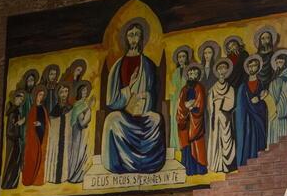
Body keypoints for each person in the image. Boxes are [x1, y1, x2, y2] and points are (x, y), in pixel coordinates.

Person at [100, 20, 165, 174]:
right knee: (111, 119)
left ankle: (149, 164)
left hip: (142, 113)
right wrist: (129, 89)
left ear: (142, 38)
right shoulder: (118, 66)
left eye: (137, 35)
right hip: (125, 115)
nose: (134, 38)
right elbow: (111, 100)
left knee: (157, 119)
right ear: (126, 39)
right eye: (130, 35)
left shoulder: (148, 65)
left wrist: (144, 97)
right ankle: (116, 164)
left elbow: (153, 94)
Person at [234, 55, 268, 167]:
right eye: (250, 66)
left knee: (258, 137)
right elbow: (240, 105)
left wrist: (259, 99)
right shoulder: (243, 86)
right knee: (247, 135)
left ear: (258, 68)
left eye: (255, 65)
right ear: (247, 68)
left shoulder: (262, 84)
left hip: (259, 116)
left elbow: (265, 100)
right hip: (246, 118)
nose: (252, 68)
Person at [176, 64, 208, 176]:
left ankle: (200, 169)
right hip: (186, 122)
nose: (192, 76)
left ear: (198, 75)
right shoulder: (184, 89)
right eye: (190, 74)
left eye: (195, 74)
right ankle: (189, 169)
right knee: (186, 145)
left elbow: (200, 103)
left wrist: (191, 107)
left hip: (195, 122)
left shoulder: (199, 87)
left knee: (197, 145)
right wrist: (186, 108)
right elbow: (180, 106)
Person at [207, 59, 237, 173]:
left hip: (225, 117)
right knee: (215, 140)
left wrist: (221, 103)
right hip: (215, 118)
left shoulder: (230, 88)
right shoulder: (213, 88)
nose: (222, 71)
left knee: (227, 139)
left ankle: (227, 164)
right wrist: (214, 107)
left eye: (224, 68)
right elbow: (210, 103)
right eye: (220, 68)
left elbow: (231, 101)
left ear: (227, 71)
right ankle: (216, 165)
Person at [266, 50, 287, 147]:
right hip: (275, 101)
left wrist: (279, 82)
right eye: (277, 62)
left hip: (283, 99)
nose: (279, 64)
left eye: (281, 62)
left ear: (286, 62)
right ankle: (273, 143)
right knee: (273, 120)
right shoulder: (277, 74)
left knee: (281, 118)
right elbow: (273, 87)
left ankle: (281, 143)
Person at [66, 82, 94, 184]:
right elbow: (82, 122)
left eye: (86, 91)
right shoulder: (78, 105)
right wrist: (89, 108)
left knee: (82, 153)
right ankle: (73, 176)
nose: (85, 92)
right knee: (77, 153)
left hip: (83, 134)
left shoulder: (84, 104)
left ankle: (78, 176)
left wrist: (88, 107)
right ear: (79, 92)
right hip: (78, 134)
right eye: (83, 91)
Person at [21, 86, 49, 187]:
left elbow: (47, 123)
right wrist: (34, 124)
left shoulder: (43, 109)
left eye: (42, 95)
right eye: (39, 94)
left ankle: (38, 180)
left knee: (40, 158)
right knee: (32, 158)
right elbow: (29, 124)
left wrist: (40, 124)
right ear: (36, 95)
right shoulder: (32, 109)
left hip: (41, 136)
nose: (41, 97)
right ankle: (29, 179)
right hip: (33, 138)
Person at [0, 90, 26, 190]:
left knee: (15, 163)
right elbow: (9, 131)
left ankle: (12, 184)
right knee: (11, 163)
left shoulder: (16, 111)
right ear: (14, 98)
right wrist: (18, 124)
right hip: (13, 142)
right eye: (19, 98)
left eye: (22, 100)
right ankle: (7, 184)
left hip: (16, 141)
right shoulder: (12, 112)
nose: (20, 101)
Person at [169, 46, 193, 151]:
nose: (181, 59)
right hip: (176, 100)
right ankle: (176, 145)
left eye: (183, 56)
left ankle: (186, 145)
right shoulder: (175, 72)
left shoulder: (190, 71)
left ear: (187, 58)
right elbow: (173, 88)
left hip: (186, 99)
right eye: (179, 57)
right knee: (175, 120)